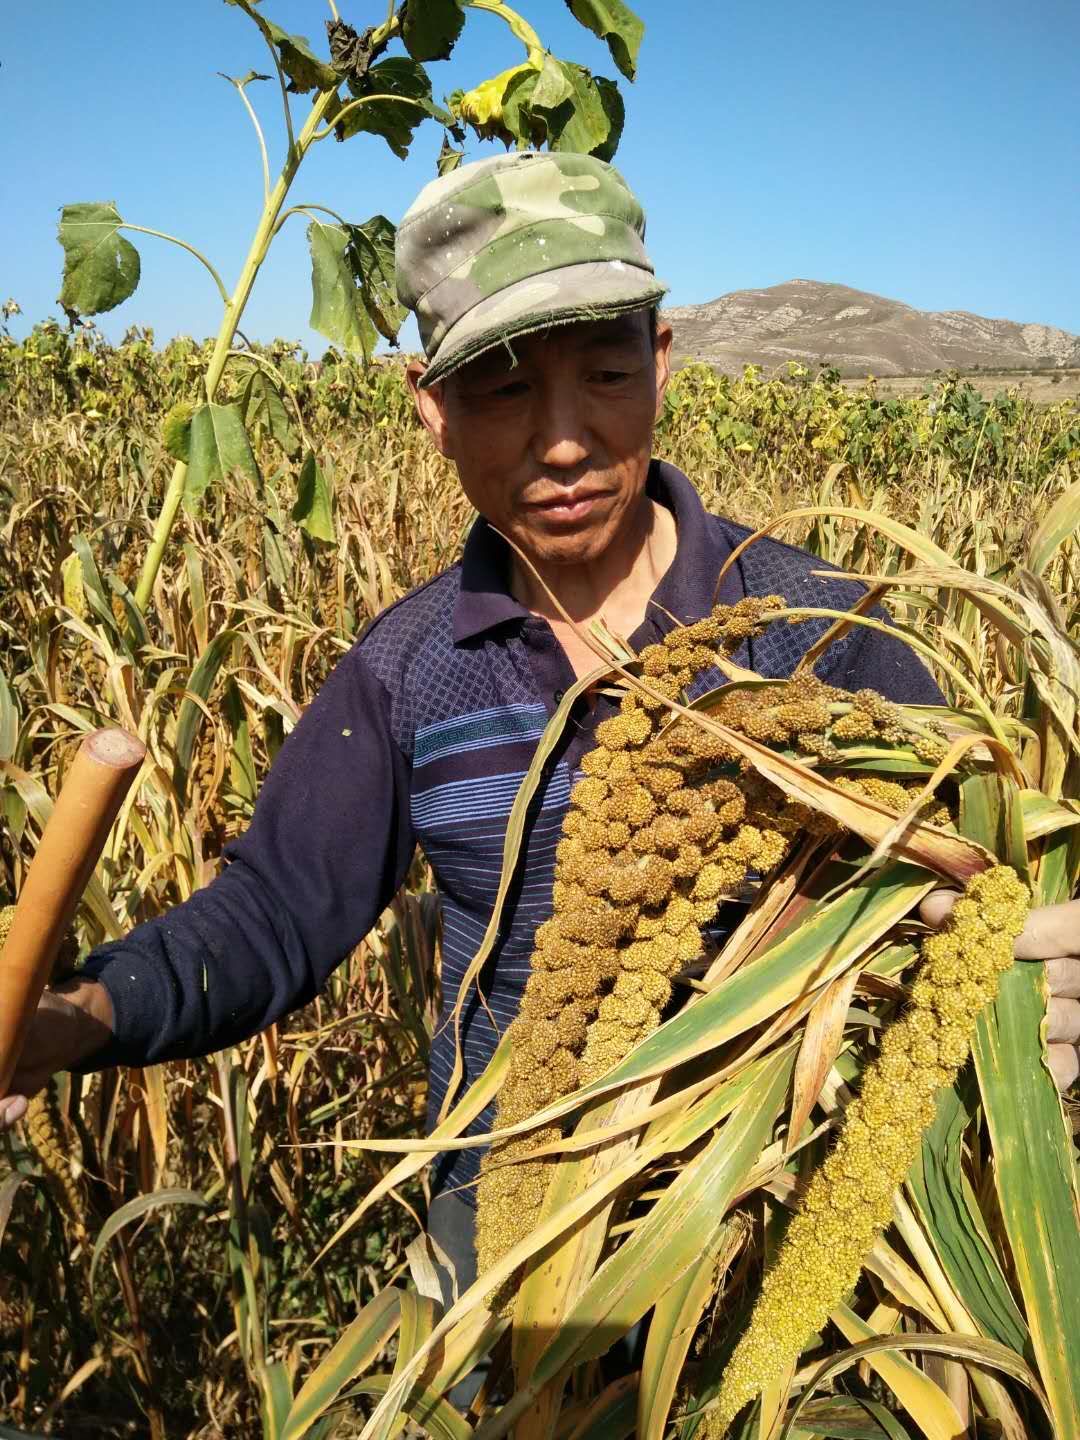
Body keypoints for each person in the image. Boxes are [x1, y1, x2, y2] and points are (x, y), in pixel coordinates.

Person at [3, 151, 1078, 1321]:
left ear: (661, 366)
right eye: (505, 392)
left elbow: (983, 884)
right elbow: (273, 912)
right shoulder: (408, 671)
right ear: (431, 406)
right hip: (502, 1234)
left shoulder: (821, 638)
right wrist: (82, 1018)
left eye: (605, 373)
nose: (563, 441)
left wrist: (1028, 973)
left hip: (778, 1235)